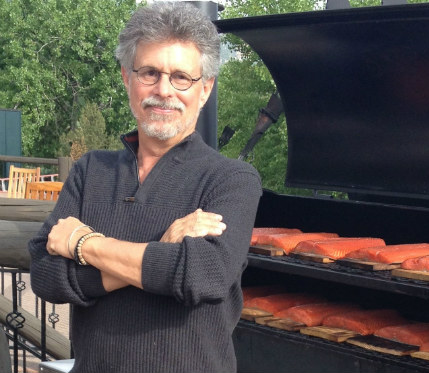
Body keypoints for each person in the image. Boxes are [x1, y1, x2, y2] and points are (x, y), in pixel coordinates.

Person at [28, 2, 262, 372]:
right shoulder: (91, 171)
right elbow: (45, 275)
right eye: (149, 73)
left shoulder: (231, 179)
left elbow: (204, 275)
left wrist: (83, 244)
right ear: (126, 77)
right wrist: (164, 249)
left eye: (181, 77)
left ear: (205, 89)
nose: (164, 90)